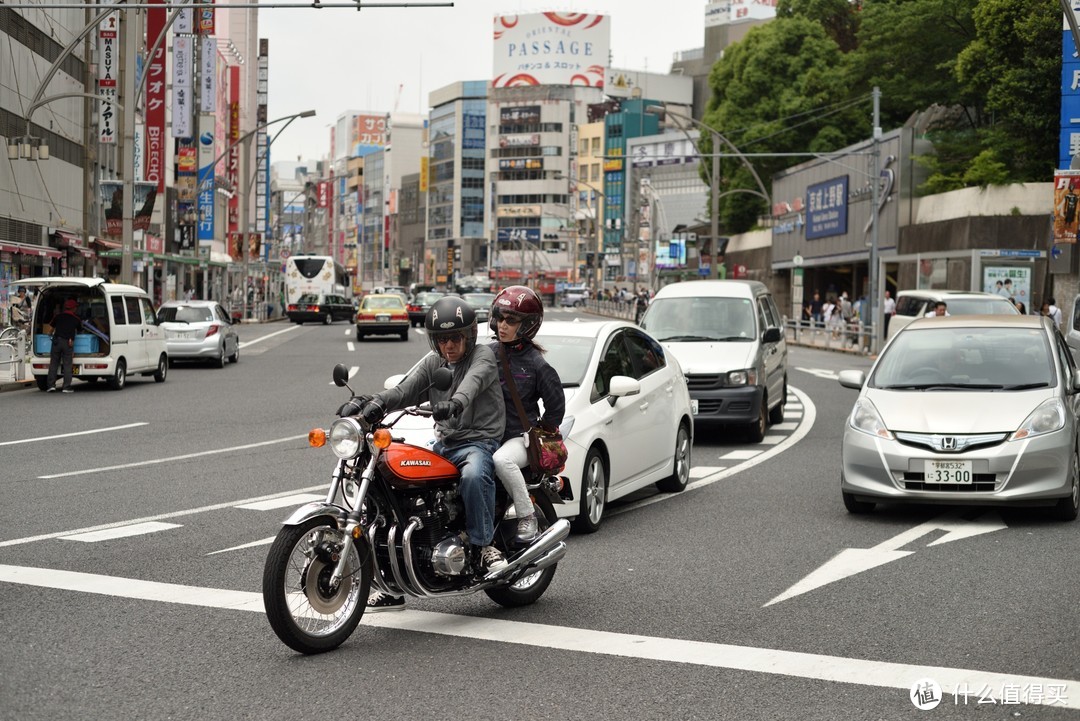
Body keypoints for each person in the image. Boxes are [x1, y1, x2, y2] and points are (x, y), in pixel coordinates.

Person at [360, 295, 507, 612]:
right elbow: (405, 390)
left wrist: (455, 402)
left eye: (455, 338)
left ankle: (485, 546)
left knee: (473, 474)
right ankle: (393, 580)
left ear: (468, 336)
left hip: (479, 441)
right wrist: (372, 403)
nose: (449, 346)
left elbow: (472, 383)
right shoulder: (433, 363)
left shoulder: (482, 356)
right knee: (395, 485)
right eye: (442, 340)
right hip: (446, 444)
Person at [487, 286, 565, 541]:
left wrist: (536, 434)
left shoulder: (536, 363)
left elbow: (556, 407)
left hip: (517, 437)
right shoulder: (486, 354)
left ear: (528, 324)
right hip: (486, 434)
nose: (502, 325)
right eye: (500, 317)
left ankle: (527, 515)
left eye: (511, 320)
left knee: (502, 461)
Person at [46, 298, 81, 393]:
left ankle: (51, 386)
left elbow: (50, 330)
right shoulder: (76, 319)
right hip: (68, 343)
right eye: (76, 307)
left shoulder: (58, 316)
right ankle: (66, 387)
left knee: (53, 363)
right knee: (67, 365)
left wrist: (50, 335)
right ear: (73, 308)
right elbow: (80, 330)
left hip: (56, 342)